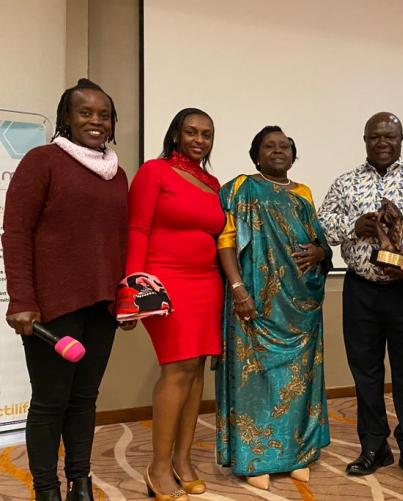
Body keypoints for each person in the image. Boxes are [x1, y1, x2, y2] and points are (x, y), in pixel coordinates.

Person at [2, 78, 131, 501]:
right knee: (49, 403)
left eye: (104, 114)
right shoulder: (43, 161)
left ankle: (80, 482)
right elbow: (15, 232)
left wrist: (126, 300)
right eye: (85, 112)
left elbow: (120, 240)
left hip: (102, 306)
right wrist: (21, 299)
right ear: (66, 119)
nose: (96, 120)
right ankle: (46, 490)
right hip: (52, 306)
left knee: (84, 400)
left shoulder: (117, 174)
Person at [318, 112, 403, 483]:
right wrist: (353, 226)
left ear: (402, 138)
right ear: (365, 139)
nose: (383, 143)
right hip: (360, 290)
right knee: (366, 373)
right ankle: (374, 446)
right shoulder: (346, 182)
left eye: (390, 136)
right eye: (375, 137)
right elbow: (323, 226)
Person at [215, 126, 331, 491]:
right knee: (257, 377)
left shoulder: (303, 193)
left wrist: (322, 252)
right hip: (255, 300)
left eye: (285, 146)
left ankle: (297, 454)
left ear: (293, 155)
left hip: (300, 305)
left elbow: (318, 242)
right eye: (270, 146)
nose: (278, 151)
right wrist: (237, 288)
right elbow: (226, 241)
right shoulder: (239, 188)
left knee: (299, 379)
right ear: (256, 153)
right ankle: (256, 458)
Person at [126, 108, 224, 500]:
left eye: (207, 134)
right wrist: (133, 289)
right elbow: (136, 229)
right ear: (176, 134)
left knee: (197, 369)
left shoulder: (213, 183)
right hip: (165, 282)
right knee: (178, 368)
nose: (199, 140)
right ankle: (158, 467)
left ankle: (183, 461)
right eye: (192, 132)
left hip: (207, 283)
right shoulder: (155, 172)